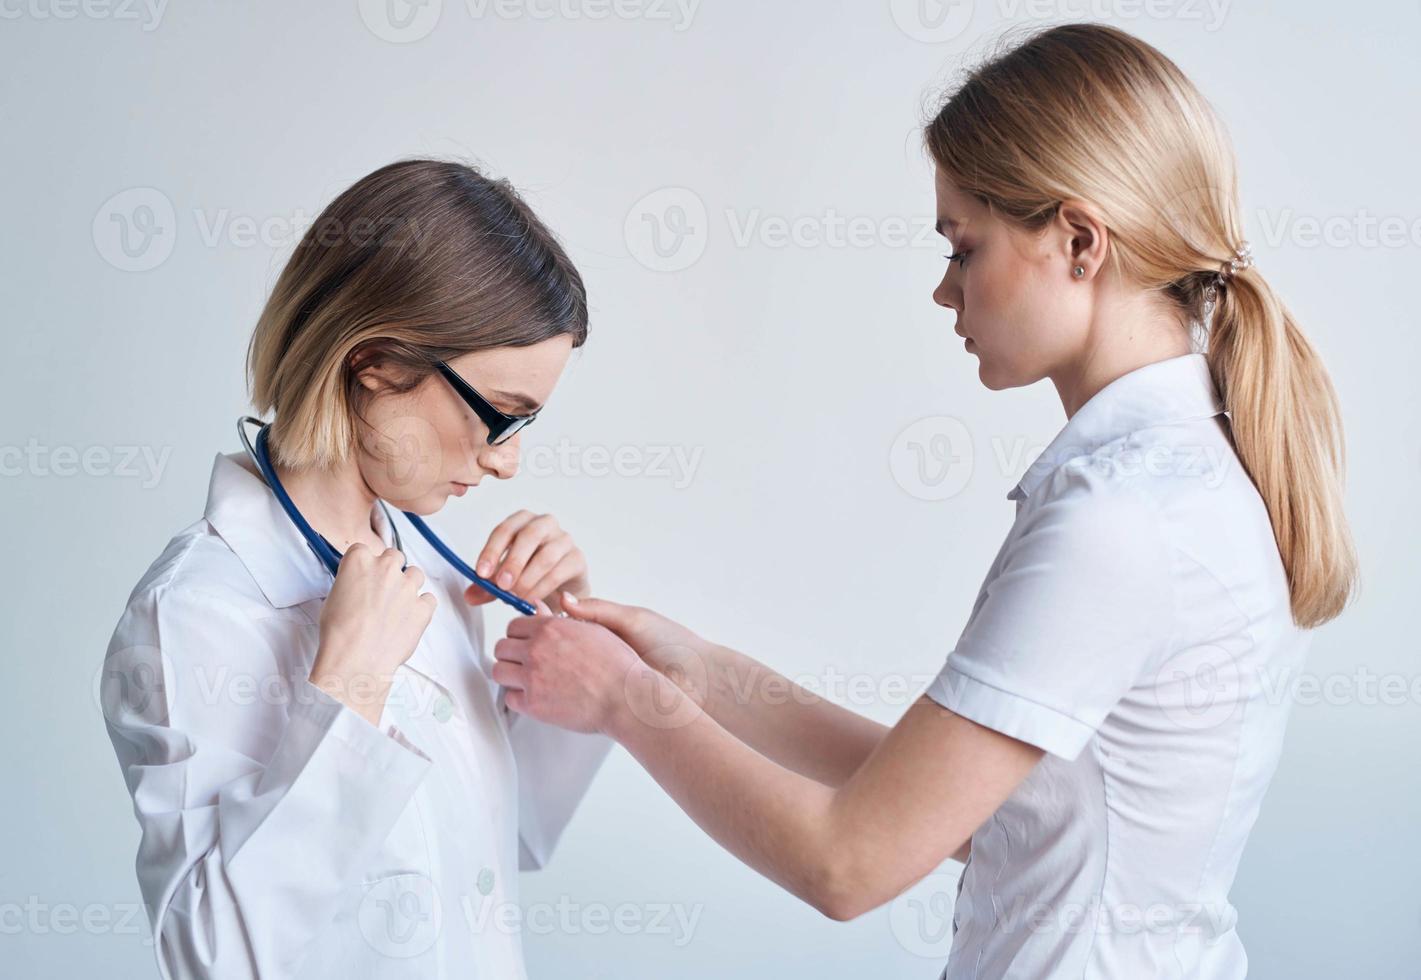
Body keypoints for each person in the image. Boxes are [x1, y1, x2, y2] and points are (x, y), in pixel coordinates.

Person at [493, 23, 1358, 979]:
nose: (944, 291)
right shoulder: (1179, 475)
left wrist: (625, 701)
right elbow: (969, 815)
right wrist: (703, 675)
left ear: (1078, 241)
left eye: (964, 247)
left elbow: (848, 863)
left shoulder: (1117, 521)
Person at [100, 159, 611, 979]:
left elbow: (500, 846)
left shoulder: (432, 576)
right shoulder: (197, 610)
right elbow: (212, 958)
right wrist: (344, 695)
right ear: (375, 361)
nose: (506, 465)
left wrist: (564, 644)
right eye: (497, 418)